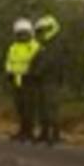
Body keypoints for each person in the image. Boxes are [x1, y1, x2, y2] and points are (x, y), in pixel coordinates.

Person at [27, 14, 65, 146]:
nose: (41, 34)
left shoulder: (55, 46)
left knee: (51, 108)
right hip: (42, 81)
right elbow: (35, 61)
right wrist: (32, 72)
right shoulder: (44, 46)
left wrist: (35, 72)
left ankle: (55, 134)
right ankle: (44, 133)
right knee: (42, 108)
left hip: (51, 81)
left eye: (43, 30)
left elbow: (47, 63)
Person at [4, 18, 38, 141]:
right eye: (19, 34)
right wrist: (9, 72)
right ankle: (23, 131)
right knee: (20, 107)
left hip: (29, 80)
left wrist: (32, 74)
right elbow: (9, 61)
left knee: (29, 108)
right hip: (16, 80)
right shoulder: (13, 47)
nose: (22, 36)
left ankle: (30, 132)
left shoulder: (34, 46)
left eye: (24, 33)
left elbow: (36, 63)